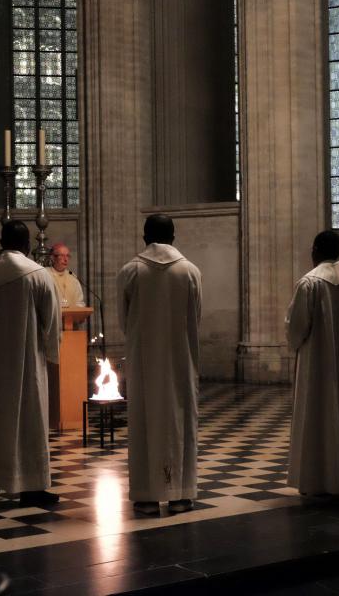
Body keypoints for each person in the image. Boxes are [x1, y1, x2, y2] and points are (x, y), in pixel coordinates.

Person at [0, 220, 62, 508]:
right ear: (27, 244)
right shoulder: (38, 275)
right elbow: (51, 321)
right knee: (30, 420)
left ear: (1, 241)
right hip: (27, 362)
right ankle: (31, 487)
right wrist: (51, 353)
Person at [118, 214, 202, 515]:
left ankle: (147, 496)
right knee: (180, 421)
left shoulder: (131, 271)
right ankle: (180, 495)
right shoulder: (190, 271)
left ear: (144, 238)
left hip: (144, 363)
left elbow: (124, 321)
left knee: (144, 422)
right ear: (174, 238)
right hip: (181, 360)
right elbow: (196, 318)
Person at [286, 230, 339, 499]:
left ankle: (318, 481)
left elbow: (296, 327)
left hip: (317, 366)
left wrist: (295, 339)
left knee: (317, 417)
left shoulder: (310, 282)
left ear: (315, 250)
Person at [48, 243, 86, 308]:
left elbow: (80, 302)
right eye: (62, 256)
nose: (65, 259)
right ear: (52, 258)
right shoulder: (45, 274)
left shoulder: (72, 276)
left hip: (71, 317)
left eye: (67, 256)